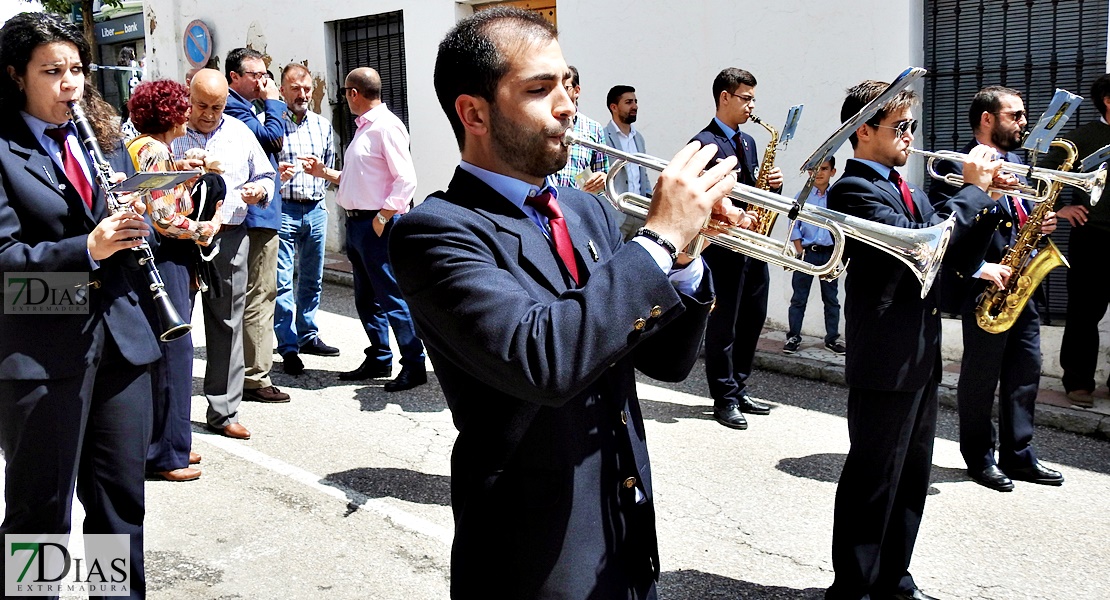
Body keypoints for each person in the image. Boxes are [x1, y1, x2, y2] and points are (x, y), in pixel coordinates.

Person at [391, 8, 742, 599]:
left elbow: (666, 362)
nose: (567, 105)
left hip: (623, 530)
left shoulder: (589, 211)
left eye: (566, 84)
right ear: (473, 112)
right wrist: (658, 242)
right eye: (539, 89)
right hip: (532, 555)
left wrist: (684, 260)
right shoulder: (436, 231)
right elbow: (545, 360)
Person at [0, 12, 161, 597]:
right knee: (40, 518)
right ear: (16, 76)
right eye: (52, 71)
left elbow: (116, 230)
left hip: (119, 338)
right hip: (41, 349)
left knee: (118, 509)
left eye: (77, 69)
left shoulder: (102, 140)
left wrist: (150, 219)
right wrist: (87, 250)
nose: (71, 83)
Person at [825, 79, 1000, 600]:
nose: (909, 136)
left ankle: (894, 578)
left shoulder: (912, 189)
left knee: (911, 477)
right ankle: (853, 586)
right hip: (883, 352)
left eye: (911, 126)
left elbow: (943, 252)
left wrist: (987, 207)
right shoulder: (852, 190)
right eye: (899, 126)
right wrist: (971, 192)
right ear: (862, 132)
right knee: (873, 478)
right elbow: (917, 248)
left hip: (919, 351)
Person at [929, 86, 1064, 491]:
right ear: (988, 120)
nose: (1024, 123)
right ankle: (980, 457)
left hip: (1024, 283)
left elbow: (1019, 218)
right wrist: (984, 193)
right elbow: (946, 228)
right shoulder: (957, 166)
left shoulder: (1020, 163)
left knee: (1026, 372)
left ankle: (1019, 456)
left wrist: (1040, 226)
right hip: (983, 289)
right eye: (1015, 116)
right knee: (980, 377)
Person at [301, 67, 426, 391]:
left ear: (353, 93)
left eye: (345, 92)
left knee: (392, 298)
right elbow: (359, 178)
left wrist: (383, 218)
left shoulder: (385, 127)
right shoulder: (365, 129)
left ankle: (414, 364)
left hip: (377, 225)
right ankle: (380, 357)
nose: (345, 98)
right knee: (367, 299)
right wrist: (323, 172)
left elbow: (406, 179)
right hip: (360, 224)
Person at [171, 68, 276, 439]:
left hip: (229, 238)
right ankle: (172, 419)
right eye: (202, 105)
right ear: (189, 96)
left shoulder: (239, 131)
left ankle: (224, 410)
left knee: (227, 324)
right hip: (177, 241)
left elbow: (266, 175)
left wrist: (258, 192)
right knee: (175, 324)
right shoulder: (171, 132)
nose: (209, 114)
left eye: (217, 106)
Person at [127, 79, 223, 482]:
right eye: (182, 107)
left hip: (160, 259)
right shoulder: (152, 150)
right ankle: (167, 454)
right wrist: (208, 226)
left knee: (168, 358)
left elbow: (157, 200)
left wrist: (184, 175)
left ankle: (172, 441)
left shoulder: (143, 148)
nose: (187, 113)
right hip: (167, 259)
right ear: (166, 114)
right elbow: (165, 219)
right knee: (175, 357)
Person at [692, 67, 782, 430]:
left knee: (752, 319)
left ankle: (740, 386)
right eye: (746, 98)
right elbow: (702, 194)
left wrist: (772, 187)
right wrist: (734, 212)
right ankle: (723, 397)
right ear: (725, 97)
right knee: (724, 325)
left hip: (752, 245)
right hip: (724, 247)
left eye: (754, 99)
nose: (751, 106)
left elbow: (756, 189)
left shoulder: (748, 143)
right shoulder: (704, 142)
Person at [1038, 73, 1110, 409]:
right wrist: (1062, 208)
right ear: (1108, 101)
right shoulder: (1083, 137)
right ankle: (1078, 382)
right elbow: (1044, 174)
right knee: (1084, 313)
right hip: (1093, 237)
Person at [224, 47, 289, 403]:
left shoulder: (247, 108)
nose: (263, 81)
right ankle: (255, 377)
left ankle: (247, 369)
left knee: (252, 295)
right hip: (254, 218)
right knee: (259, 295)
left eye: (265, 74)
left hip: (256, 214)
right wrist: (275, 103)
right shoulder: (236, 108)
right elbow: (273, 139)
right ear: (234, 76)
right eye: (255, 74)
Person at [274, 63, 339, 376]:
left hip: (315, 208)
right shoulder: (270, 124)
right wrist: (276, 176)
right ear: (283, 89)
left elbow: (329, 166)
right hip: (283, 209)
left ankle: (308, 334)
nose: (302, 95)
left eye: (307, 89)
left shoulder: (323, 125)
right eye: (295, 88)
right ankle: (287, 346)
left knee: (312, 278)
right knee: (282, 280)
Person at [784, 157, 845, 355]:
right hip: (807, 253)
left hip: (829, 255)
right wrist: (800, 250)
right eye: (814, 169)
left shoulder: (838, 197)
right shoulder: (802, 195)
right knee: (799, 297)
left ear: (833, 172)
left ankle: (832, 338)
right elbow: (794, 225)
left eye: (824, 169)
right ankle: (793, 336)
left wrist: (838, 254)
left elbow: (844, 228)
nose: (819, 173)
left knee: (831, 298)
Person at [552, 65, 608, 193]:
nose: (559, 93)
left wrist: (603, 179)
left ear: (577, 91)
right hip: (548, 203)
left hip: (578, 206)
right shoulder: (545, 123)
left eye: (565, 88)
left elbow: (602, 172)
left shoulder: (594, 128)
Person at [604, 84, 650, 238]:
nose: (635, 106)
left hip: (640, 213)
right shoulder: (603, 137)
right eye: (629, 102)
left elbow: (643, 174)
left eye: (635, 101)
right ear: (614, 107)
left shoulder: (639, 138)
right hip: (617, 214)